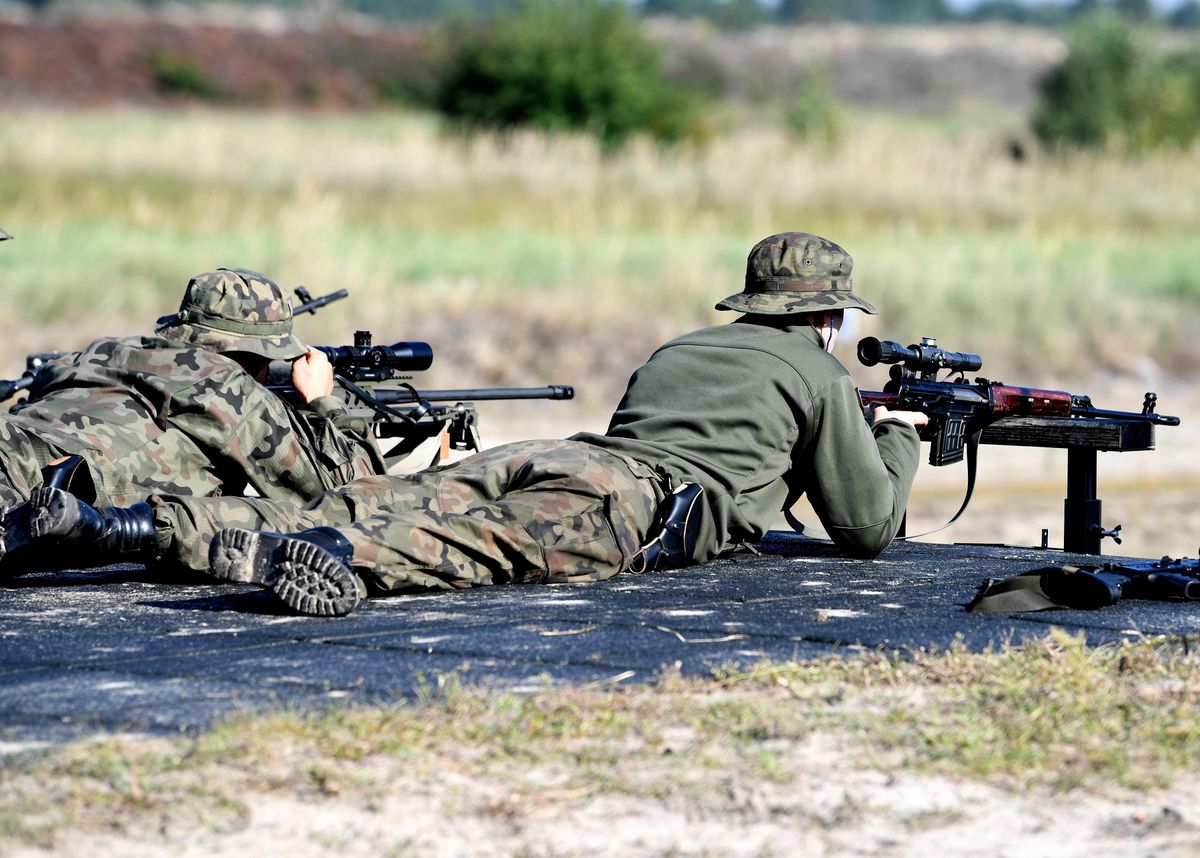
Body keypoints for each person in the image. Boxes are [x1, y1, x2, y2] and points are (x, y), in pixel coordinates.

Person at [0, 232, 926, 617]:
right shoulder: (817, 373)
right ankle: (331, 561)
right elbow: (868, 526)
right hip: (622, 500)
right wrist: (904, 438)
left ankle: (127, 527)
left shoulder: (685, 346)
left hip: (565, 457)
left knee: (378, 497)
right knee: (449, 547)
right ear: (829, 317)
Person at [0, 266, 385, 511]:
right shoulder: (227, 387)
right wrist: (322, 401)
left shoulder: (101, 353)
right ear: (254, 356)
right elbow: (352, 498)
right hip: (23, 488)